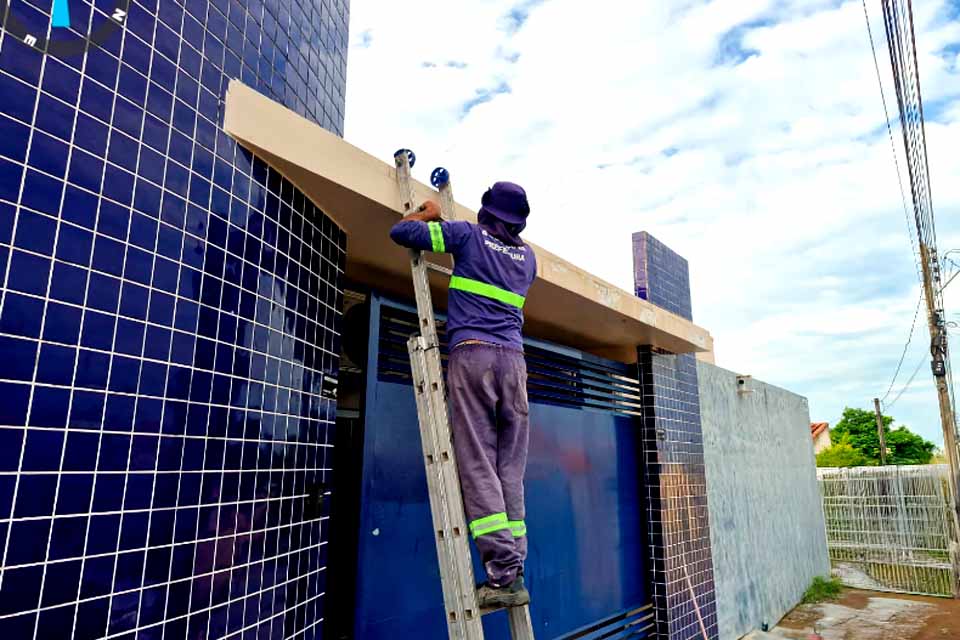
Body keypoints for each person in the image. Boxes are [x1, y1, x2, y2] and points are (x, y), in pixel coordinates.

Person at [389, 181, 537, 608]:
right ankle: (515, 567)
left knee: (476, 461)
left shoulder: (466, 235)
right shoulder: (528, 258)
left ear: (487, 212)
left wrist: (428, 213)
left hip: (474, 357)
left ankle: (502, 570)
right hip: (515, 363)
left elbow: (401, 234)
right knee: (510, 466)